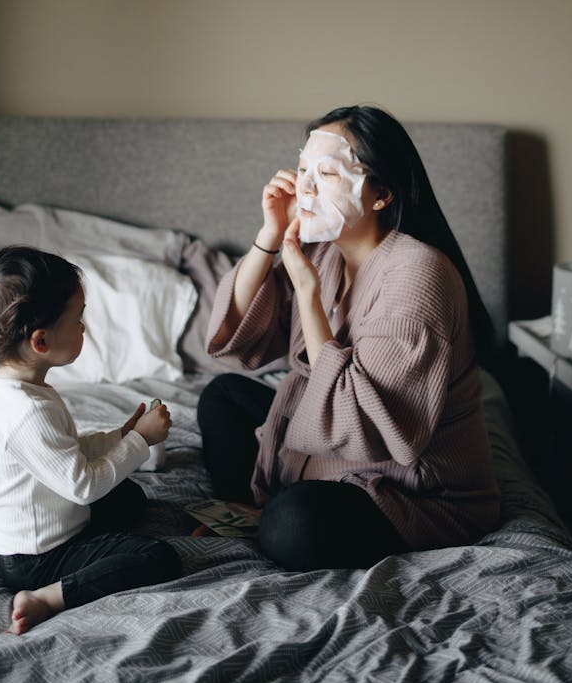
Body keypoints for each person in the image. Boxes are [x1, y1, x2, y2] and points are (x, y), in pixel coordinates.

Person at [199, 105, 500, 572]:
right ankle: (252, 511)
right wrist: (269, 235)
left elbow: (364, 422)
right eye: (302, 170)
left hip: (404, 485)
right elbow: (237, 338)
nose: (306, 188)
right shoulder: (323, 254)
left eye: (326, 173)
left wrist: (308, 294)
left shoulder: (419, 274)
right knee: (222, 396)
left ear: (380, 195)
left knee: (291, 525)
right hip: (331, 439)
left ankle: (271, 516)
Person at [0, 245, 182, 634]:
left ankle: (91, 549)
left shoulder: (23, 388)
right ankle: (45, 597)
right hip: (37, 558)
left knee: (129, 498)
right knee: (157, 557)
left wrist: (121, 437)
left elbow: (66, 452)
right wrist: (140, 443)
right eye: (77, 319)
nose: (83, 328)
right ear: (41, 342)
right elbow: (83, 486)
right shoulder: (26, 412)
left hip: (56, 517)